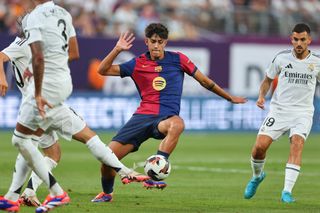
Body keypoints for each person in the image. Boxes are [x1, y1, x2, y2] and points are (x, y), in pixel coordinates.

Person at [0, 1, 148, 213]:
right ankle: (123, 172)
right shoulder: (49, 25)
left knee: (24, 141)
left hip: (40, 97)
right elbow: (72, 53)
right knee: (56, 151)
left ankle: (39, 194)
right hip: (56, 92)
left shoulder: (32, 36)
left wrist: (35, 82)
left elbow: (37, 58)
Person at [91, 23, 247, 202]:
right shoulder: (137, 63)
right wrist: (117, 49)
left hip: (164, 119)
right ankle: (107, 194)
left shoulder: (178, 59)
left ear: (165, 42)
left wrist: (229, 97)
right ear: (147, 42)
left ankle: (157, 169)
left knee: (178, 124)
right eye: (152, 41)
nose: (156, 45)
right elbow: (102, 70)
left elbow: (205, 81)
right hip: (141, 118)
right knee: (107, 159)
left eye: (160, 41)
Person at [243, 23, 320, 203]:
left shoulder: (317, 62)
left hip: (303, 112)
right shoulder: (281, 58)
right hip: (279, 110)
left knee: (297, 143)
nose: (299, 43)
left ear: (309, 40)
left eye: (302, 39)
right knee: (260, 147)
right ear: (291, 39)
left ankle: (287, 191)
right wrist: (261, 96)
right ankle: (257, 176)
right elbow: (267, 80)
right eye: (295, 39)